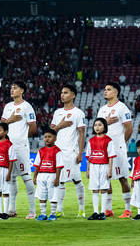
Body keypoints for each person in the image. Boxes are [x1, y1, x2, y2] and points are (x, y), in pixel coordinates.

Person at [1, 80, 37, 219]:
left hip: (21, 147)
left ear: (22, 91)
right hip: (8, 146)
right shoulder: (8, 106)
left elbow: (33, 128)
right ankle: (11, 209)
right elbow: (2, 125)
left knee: (26, 177)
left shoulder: (27, 107)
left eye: (15, 88)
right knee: (12, 178)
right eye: (11, 87)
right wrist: (10, 120)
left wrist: (21, 138)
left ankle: (32, 210)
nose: (12, 90)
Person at [97, 82, 133, 218]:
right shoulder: (102, 110)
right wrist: (105, 122)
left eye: (108, 89)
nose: (105, 91)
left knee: (122, 178)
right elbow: (98, 128)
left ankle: (128, 210)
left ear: (116, 92)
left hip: (117, 148)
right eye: (105, 89)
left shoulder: (122, 108)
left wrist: (120, 144)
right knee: (106, 178)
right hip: (104, 148)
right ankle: (109, 209)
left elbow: (129, 129)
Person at [50, 84, 86, 218]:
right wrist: (60, 126)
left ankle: (81, 210)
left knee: (77, 180)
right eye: (61, 92)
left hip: (71, 152)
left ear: (73, 95)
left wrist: (80, 152)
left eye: (65, 92)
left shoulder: (78, 113)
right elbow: (51, 132)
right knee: (59, 180)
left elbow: (81, 133)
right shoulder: (57, 113)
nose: (62, 95)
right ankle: (59, 209)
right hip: (58, 152)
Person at [86, 118, 116, 221]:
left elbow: (111, 156)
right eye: (95, 125)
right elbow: (89, 156)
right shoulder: (91, 140)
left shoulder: (108, 140)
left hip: (104, 165)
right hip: (94, 166)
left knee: (103, 189)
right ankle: (95, 212)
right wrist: (88, 170)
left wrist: (110, 170)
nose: (97, 127)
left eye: (100, 125)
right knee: (95, 189)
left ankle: (103, 212)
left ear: (104, 127)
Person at [33, 129, 64, 221]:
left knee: (53, 195)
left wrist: (57, 178)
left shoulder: (57, 151)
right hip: (41, 175)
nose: (47, 139)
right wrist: (35, 176)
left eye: (49, 137)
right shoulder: (41, 151)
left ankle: (53, 214)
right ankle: (43, 214)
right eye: (45, 137)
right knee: (41, 195)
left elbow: (59, 166)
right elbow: (37, 165)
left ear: (55, 138)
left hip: (52, 175)